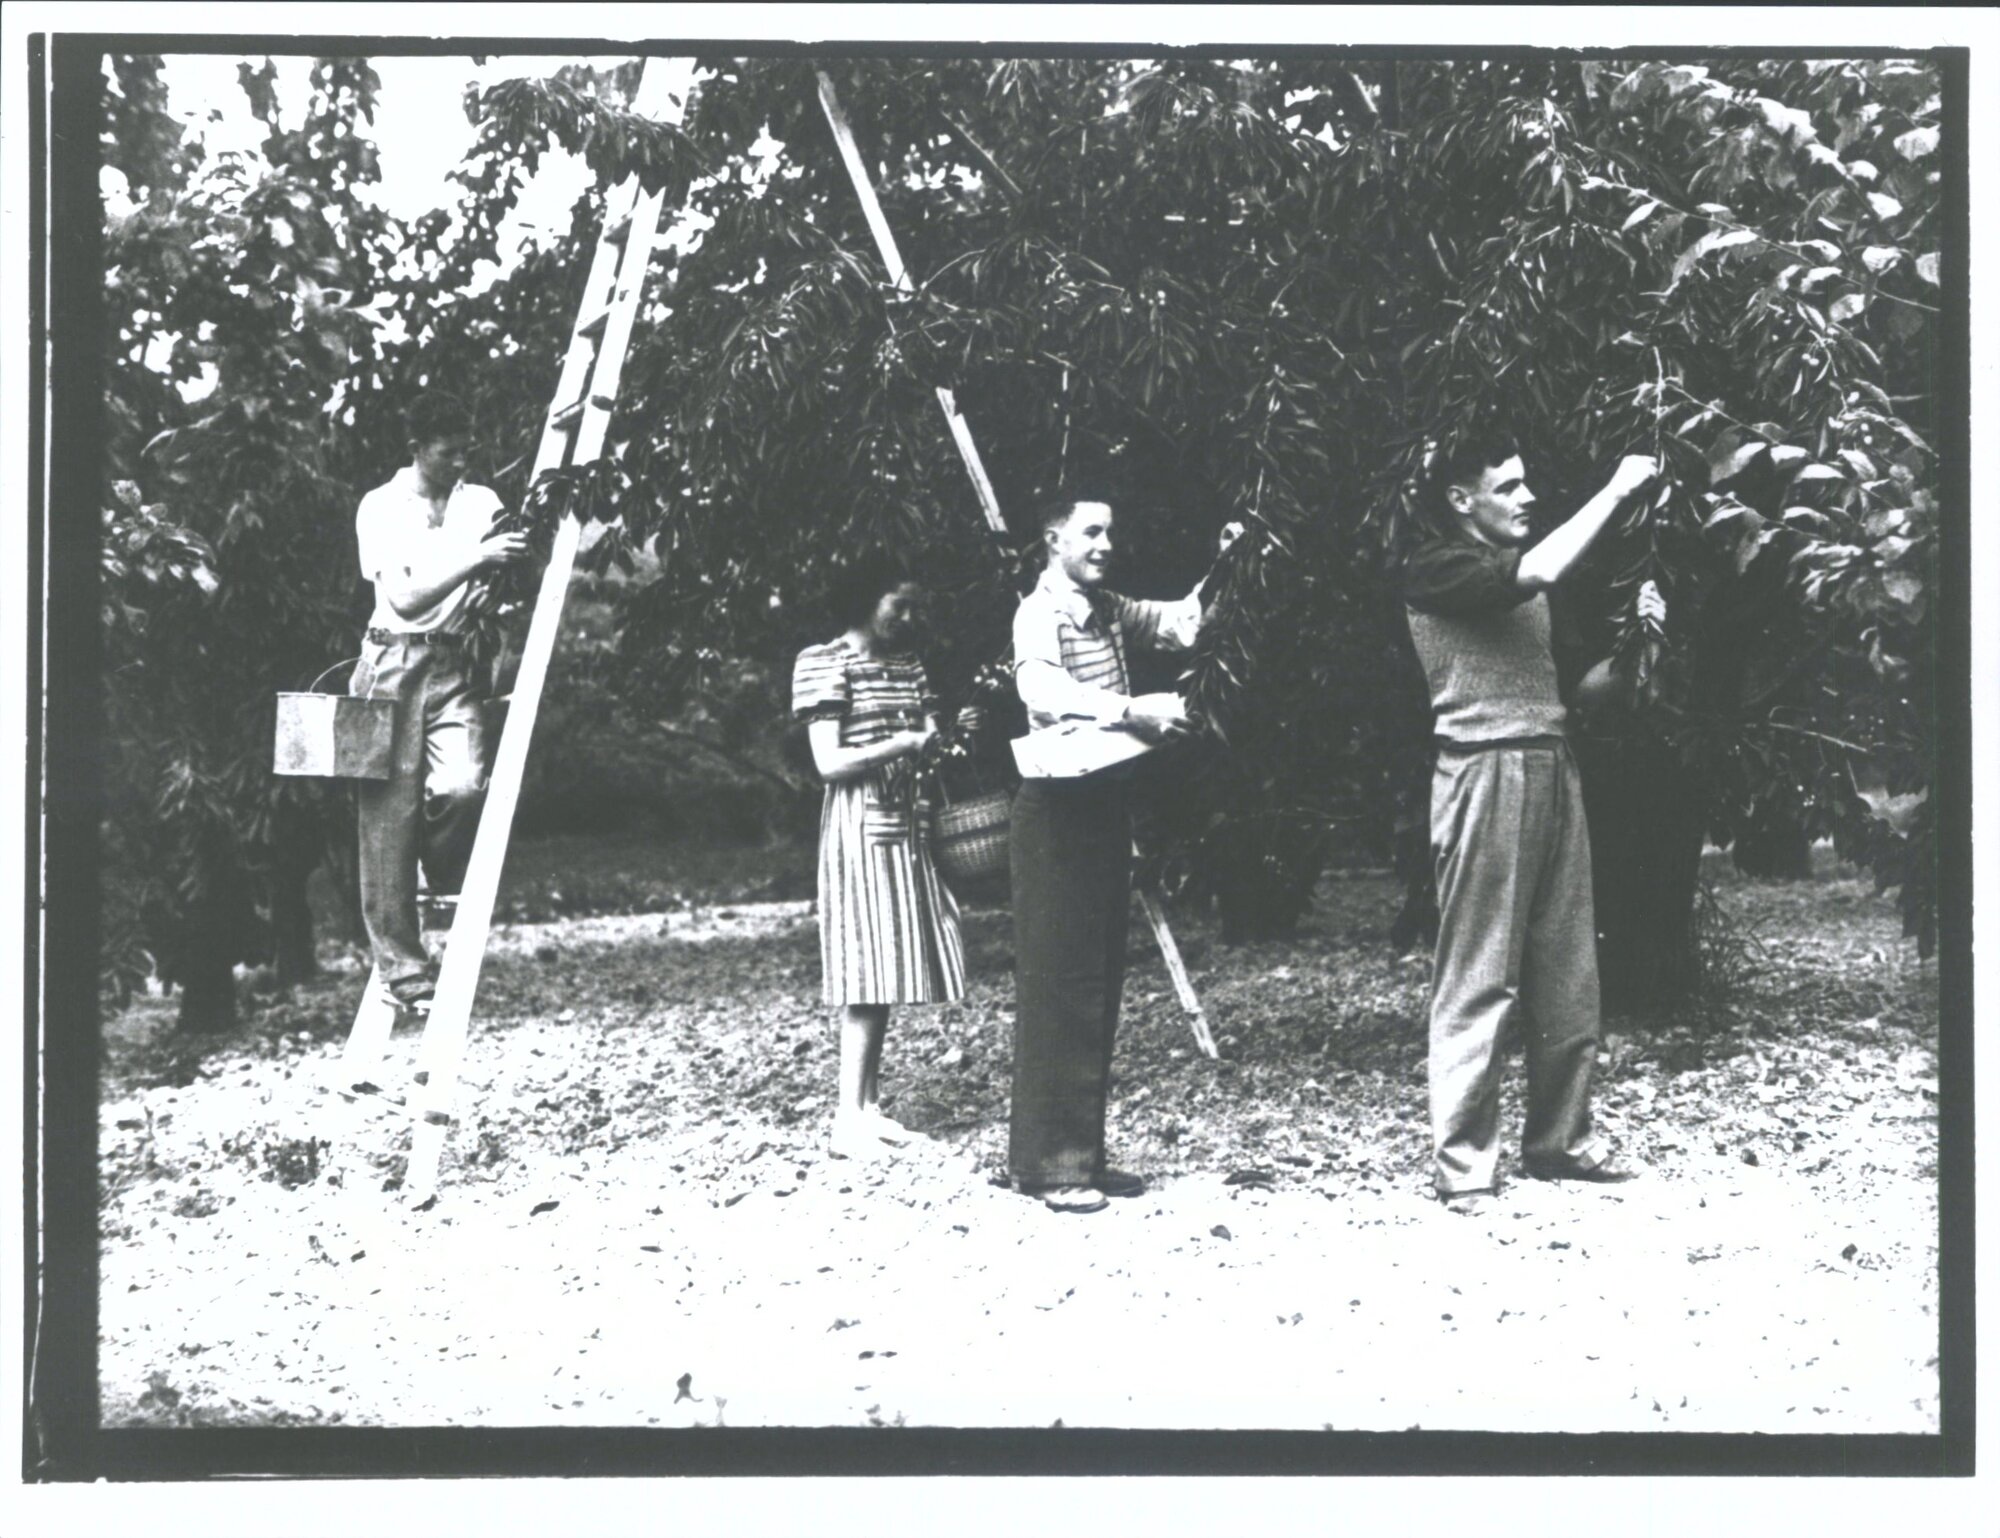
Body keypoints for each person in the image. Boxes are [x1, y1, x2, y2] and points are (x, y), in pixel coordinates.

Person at [1403, 431, 1663, 1214]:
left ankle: (1559, 1143)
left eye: (1527, 485)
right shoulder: (1438, 565)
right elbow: (1539, 567)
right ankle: (1464, 1169)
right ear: (1461, 500)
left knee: (1568, 971)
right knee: (1481, 974)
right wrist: (1619, 490)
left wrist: (1642, 646)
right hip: (1483, 769)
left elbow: (1579, 691)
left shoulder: (1529, 587)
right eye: (1508, 486)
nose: (1527, 497)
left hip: (1552, 763)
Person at [1008, 494, 1240, 1213]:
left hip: (1102, 803)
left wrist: (1227, 564)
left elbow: (1181, 622)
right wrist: (1126, 709)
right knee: (1061, 982)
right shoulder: (1037, 611)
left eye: (1112, 529)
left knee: (1099, 979)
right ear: (1053, 539)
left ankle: (1080, 1155)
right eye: (1092, 531)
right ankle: (1050, 1167)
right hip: (1055, 811)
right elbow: (1039, 688)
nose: (1108, 542)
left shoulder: (1106, 607)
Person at [350, 395, 528, 1011]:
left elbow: (509, 576)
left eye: (466, 449)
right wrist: (476, 558)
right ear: (417, 447)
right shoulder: (380, 506)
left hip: (456, 663)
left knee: (461, 789)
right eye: (447, 449)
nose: (460, 460)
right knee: (385, 821)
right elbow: (402, 599)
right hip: (392, 662)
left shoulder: (481, 503)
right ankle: (404, 973)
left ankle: (430, 869)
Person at [792, 555, 967, 1161]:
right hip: (858, 825)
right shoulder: (823, 663)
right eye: (901, 605)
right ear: (869, 600)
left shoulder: (907, 665)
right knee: (865, 968)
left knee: (886, 966)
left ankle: (868, 1107)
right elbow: (829, 764)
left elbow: (930, 739)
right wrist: (901, 742)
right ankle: (846, 1118)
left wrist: (944, 739)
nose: (910, 617)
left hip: (906, 823)